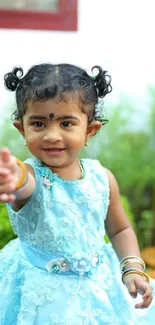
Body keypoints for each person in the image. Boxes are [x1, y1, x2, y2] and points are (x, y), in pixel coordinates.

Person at [0, 63, 154, 325]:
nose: (51, 135)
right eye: (38, 123)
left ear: (89, 130)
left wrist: (132, 267)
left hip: (99, 289)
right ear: (22, 129)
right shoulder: (31, 175)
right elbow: (23, 183)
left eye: (66, 123)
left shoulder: (102, 178)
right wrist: (12, 175)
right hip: (41, 296)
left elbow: (119, 230)